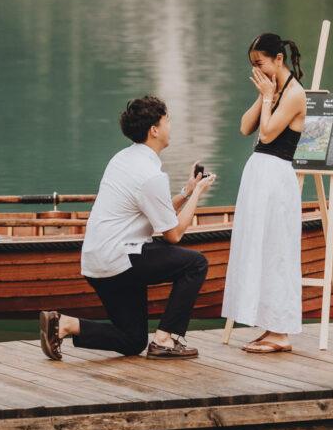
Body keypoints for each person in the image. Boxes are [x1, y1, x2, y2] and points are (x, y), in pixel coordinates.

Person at [40, 95, 215, 361]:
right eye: (167, 121)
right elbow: (174, 234)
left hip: (98, 259)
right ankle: (165, 339)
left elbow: (155, 211)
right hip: (121, 257)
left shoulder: (123, 159)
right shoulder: (150, 175)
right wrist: (199, 193)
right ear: (154, 130)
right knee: (196, 263)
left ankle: (64, 324)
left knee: (132, 340)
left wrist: (185, 193)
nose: (171, 126)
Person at [221, 33, 306, 353]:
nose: (256, 70)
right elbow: (246, 127)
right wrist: (264, 95)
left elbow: (268, 134)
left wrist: (269, 97)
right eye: (253, 66)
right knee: (257, 247)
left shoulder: (295, 93)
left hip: (276, 177)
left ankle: (281, 332)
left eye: (261, 63)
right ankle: (269, 326)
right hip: (259, 175)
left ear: (278, 60)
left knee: (277, 252)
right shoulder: (274, 91)